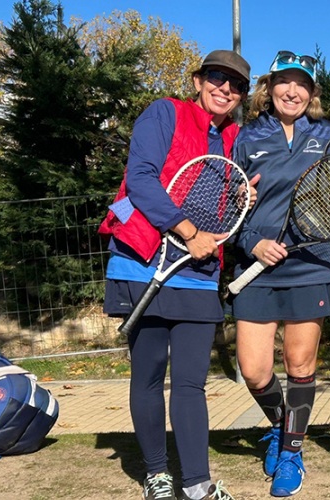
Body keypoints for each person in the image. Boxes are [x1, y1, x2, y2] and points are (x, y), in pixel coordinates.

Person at [99, 50, 253, 500]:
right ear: (198, 80)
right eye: (217, 78)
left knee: (191, 383)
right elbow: (141, 179)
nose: (225, 88)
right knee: (148, 374)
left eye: (236, 84)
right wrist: (187, 231)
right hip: (143, 261)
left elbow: (221, 204)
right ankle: (156, 475)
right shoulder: (164, 113)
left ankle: (197, 484)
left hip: (198, 273)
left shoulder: (234, 138)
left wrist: (241, 194)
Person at [230, 50, 330, 498]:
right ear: (269, 87)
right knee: (254, 370)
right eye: (283, 82)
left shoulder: (328, 136)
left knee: (300, 365)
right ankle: (282, 426)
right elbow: (230, 205)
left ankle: (292, 452)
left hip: (309, 264)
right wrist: (252, 241)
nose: (292, 91)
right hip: (255, 265)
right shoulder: (245, 137)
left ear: (312, 92)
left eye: (302, 84)